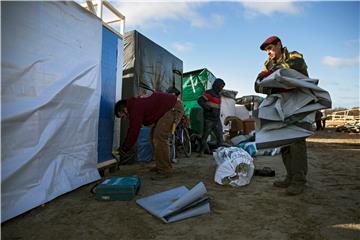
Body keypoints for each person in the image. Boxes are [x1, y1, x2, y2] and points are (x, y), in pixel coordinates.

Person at [255, 35, 310, 195]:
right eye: (266, 50)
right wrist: (266, 78)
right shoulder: (269, 63)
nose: (268, 53)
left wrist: (268, 74)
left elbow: (288, 69)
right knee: (285, 141)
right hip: (280, 105)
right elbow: (260, 85)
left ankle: (299, 181)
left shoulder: (294, 56)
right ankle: (290, 177)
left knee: (297, 141)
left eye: (270, 48)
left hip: (298, 103)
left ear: (279, 45)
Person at [115, 92, 184, 179]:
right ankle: (160, 165)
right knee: (153, 136)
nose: (125, 118)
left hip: (173, 108)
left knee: (159, 137)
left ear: (124, 109)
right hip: (169, 107)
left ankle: (165, 170)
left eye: (123, 116)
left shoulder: (135, 107)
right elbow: (132, 128)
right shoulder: (135, 104)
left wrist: (125, 148)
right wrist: (126, 146)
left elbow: (134, 130)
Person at [197, 78, 226, 157]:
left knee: (220, 138)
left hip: (217, 119)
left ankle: (221, 155)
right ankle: (201, 152)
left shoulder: (219, 95)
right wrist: (209, 109)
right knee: (205, 137)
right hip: (208, 119)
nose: (222, 88)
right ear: (217, 85)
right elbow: (200, 101)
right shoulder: (209, 93)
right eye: (221, 86)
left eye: (222, 87)